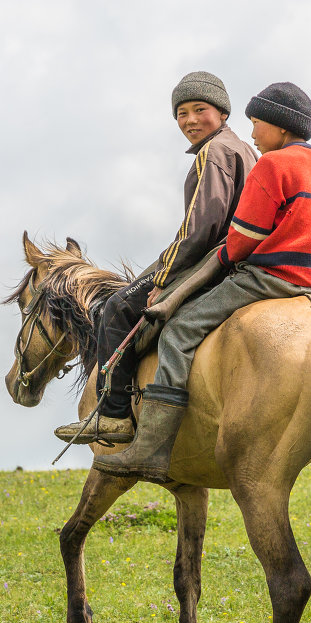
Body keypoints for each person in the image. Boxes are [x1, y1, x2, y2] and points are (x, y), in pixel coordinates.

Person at [95, 81, 311, 481]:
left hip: (273, 277)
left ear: (281, 127)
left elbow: (242, 239)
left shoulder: (272, 164)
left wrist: (217, 260)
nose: (253, 133)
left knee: (180, 329)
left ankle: (148, 448)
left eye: (257, 123)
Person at [54, 71, 257, 445]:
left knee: (117, 307)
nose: (190, 120)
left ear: (223, 112)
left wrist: (164, 276)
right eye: (181, 113)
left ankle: (114, 415)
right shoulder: (244, 149)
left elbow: (199, 229)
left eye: (200, 110)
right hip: (237, 257)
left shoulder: (213, 154)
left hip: (211, 259)